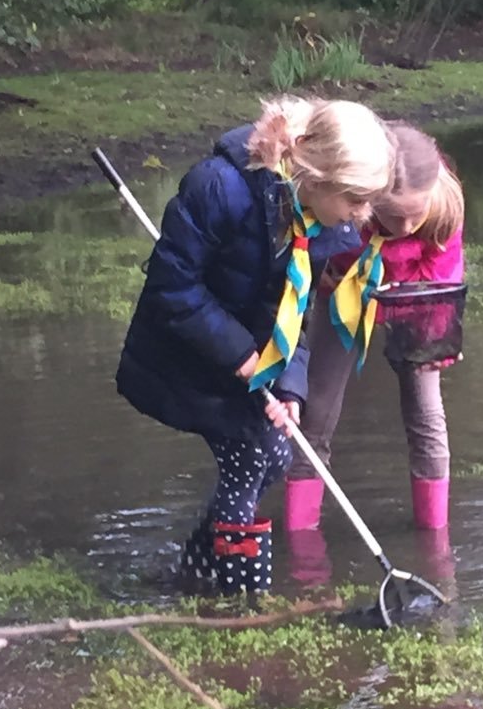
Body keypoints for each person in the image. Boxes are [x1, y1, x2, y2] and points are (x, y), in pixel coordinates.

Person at [115, 97, 395, 595]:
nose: (362, 215)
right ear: (314, 168)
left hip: (251, 355)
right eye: (355, 199)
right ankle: (239, 598)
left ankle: (195, 572)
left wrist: (289, 382)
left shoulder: (318, 222)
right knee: (252, 449)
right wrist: (241, 355)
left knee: (277, 453)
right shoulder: (219, 188)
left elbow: (295, 306)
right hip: (188, 353)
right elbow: (171, 290)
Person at [284, 122, 465, 541]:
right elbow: (312, 262)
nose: (403, 227)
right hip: (343, 289)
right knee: (314, 410)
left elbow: (440, 276)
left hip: (419, 299)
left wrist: (419, 333)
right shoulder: (344, 202)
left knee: (425, 413)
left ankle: (434, 537)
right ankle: (301, 538)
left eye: (413, 216)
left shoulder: (444, 211)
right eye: (391, 216)